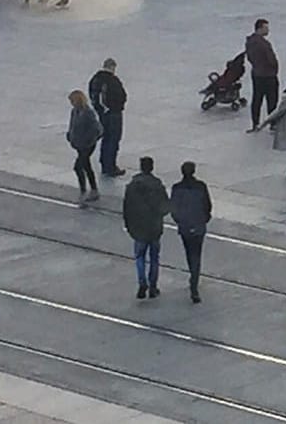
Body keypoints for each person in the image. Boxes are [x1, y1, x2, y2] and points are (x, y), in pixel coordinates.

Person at [121, 155, 168, 300]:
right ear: (152, 167)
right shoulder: (157, 185)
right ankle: (153, 286)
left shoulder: (132, 186)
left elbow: (126, 208)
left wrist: (129, 225)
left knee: (139, 257)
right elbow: (166, 207)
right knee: (154, 257)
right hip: (154, 228)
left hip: (138, 229)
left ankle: (142, 282)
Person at [168, 161, 211, 303]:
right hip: (198, 225)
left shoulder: (176, 188)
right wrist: (204, 218)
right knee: (197, 254)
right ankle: (194, 282)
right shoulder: (201, 187)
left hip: (185, 226)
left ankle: (193, 276)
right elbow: (207, 205)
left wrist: (180, 221)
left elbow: (173, 208)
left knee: (189, 251)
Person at [88, 58, 127, 178]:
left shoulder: (95, 79)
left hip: (102, 114)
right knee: (113, 139)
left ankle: (104, 163)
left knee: (106, 138)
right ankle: (110, 166)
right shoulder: (112, 80)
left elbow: (92, 95)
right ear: (112, 67)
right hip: (113, 114)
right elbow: (121, 96)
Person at [65, 89, 101, 204]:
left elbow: (97, 129)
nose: (71, 103)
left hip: (87, 145)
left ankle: (87, 189)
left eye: (72, 101)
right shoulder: (75, 111)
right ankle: (91, 189)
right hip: (79, 144)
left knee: (79, 166)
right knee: (86, 166)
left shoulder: (88, 113)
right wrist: (70, 135)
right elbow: (72, 125)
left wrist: (89, 140)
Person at [242, 19, 279, 128]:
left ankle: (255, 122)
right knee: (272, 100)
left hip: (257, 73)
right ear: (260, 28)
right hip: (268, 75)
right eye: (266, 28)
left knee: (257, 98)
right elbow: (271, 59)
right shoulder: (264, 44)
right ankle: (273, 123)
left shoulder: (249, 42)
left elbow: (249, 57)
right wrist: (274, 68)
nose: (268, 30)